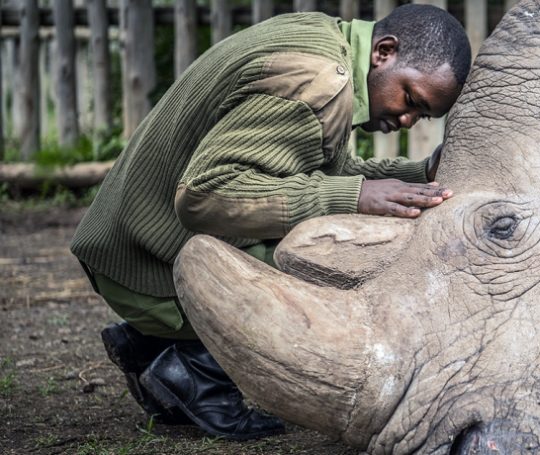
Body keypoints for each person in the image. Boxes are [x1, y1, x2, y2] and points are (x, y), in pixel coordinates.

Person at [69, 5, 471, 440]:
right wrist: (353, 197)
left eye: (423, 116)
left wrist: (418, 175)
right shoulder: (319, 82)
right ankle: (195, 368)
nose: (407, 119)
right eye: (411, 99)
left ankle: (154, 344)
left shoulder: (323, 39)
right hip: (145, 266)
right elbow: (204, 195)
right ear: (384, 52)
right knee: (346, 263)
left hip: (128, 244)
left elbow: (318, 171)